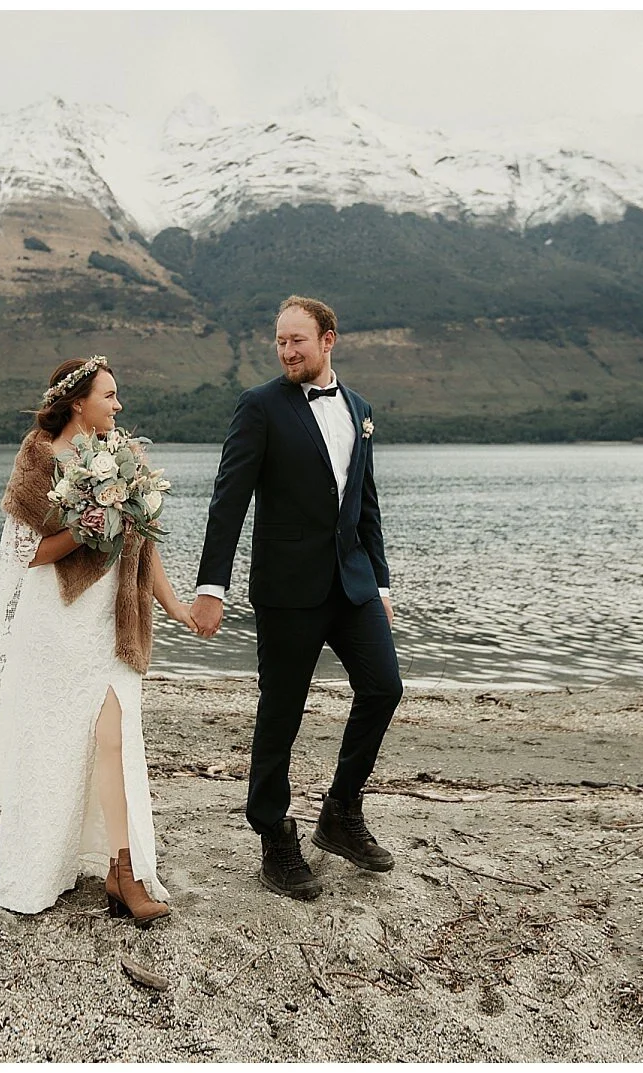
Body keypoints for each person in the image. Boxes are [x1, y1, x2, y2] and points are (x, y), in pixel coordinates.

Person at [191, 295, 403, 901]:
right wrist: (211, 587)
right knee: (281, 711)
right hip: (287, 589)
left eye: (297, 341)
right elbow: (228, 500)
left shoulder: (359, 408)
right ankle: (273, 836)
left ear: (328, 339)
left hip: (353, 583)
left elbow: (365, 504)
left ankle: (340, 812)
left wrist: (381, 583)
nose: (286, 352)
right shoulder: (259, 406)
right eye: (280, 341)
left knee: (384, 687)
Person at [0, 355, 197, 922]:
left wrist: (176, 606)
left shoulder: (125, 459)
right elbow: (28, 554)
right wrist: (83, 528)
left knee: (115, 740)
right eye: (109, 395)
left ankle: (124, 871)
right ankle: (40, 866)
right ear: (79, 403)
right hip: (56, 625)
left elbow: (144, 544)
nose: (118, 405)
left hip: (114, 622)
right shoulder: (38, 458)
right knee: (54, 746)